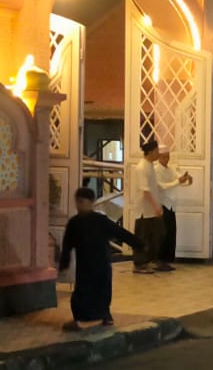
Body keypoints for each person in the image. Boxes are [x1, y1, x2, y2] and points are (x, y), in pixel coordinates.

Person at [58, 187, 143, 329]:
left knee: (99, 291)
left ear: (91, 202)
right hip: (87, 264)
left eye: (82, 201)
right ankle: (88, 318)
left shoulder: (98, 221)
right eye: (77, 201)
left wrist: (138, 244)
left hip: (100, 264)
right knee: (86, 292)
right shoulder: (75, 223)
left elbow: (120, 233)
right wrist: (64, 263)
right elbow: (67, 245)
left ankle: (96, 317)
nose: (79, 205)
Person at [153, 148, 194, 272]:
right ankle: (159, 260)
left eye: (168, 156)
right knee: (162, 234)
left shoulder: (169, 169)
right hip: (161, 205)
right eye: (164, 157)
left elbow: (178, 177)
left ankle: (167, 260)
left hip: (171, 205)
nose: (167, 159)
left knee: (171, 233)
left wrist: (186, 178)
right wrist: (178, 181)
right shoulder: (155, 170)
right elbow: (162, 186)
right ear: (159, 157)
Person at [131, 139, 165, 274]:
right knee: (142, 237)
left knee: (157, 235)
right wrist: (156, 205)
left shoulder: (150, 165)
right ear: (150, 152)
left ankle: (149, 261)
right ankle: (139, 264)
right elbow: (145, 190)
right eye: (157, 151)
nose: (158, 154)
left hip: (152, 209)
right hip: (144, 210)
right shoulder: (142, 167)